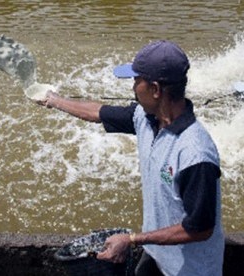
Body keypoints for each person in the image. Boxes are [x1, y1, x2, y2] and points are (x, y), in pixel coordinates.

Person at [39, 40, 224, 275]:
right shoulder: (145, 119)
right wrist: (54, 100)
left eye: (137, 80)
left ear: (155, 90)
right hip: (157, 255)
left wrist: (133, 239)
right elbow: (98, 112)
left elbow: (200, 228)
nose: (133, 87)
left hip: (190, 270)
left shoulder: (194, 154)